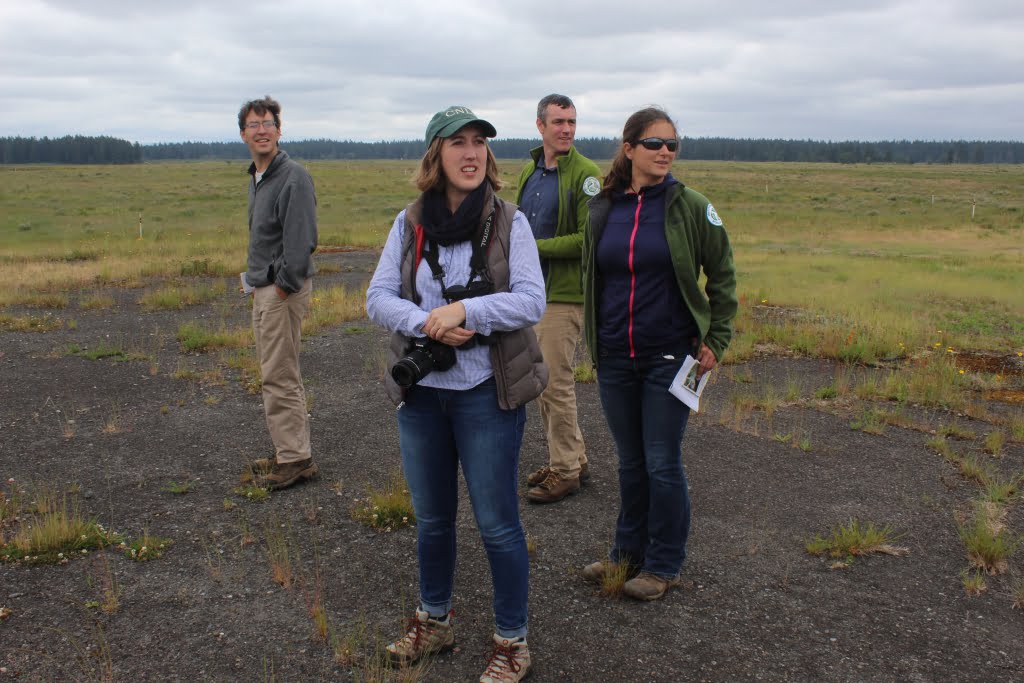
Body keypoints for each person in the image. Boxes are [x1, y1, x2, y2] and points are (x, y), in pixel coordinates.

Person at [366, 106, 547, 682]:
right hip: (421, 394)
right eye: (457, 144)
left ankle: (511, 642)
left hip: (484, 395)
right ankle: (434, 622)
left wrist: (467, 309)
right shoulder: (409, 222)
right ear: (435, 156)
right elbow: (376, 298)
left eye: (479, 144)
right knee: (432, 520)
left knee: (497, 524)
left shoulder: (509, 221)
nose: (471, 154)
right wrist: (429, 324)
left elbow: (530, 300)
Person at [580, 107, 737, 601]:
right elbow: (596, 277)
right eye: (654, 143)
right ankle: (626, 554)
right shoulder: (604, 207)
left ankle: (663, 563)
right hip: (615, 354)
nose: (665, 151)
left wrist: (717, 338)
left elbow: (724, 274)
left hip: (670, 357)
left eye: (673, 144)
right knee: (629, 463)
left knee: (661, 462)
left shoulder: (690, 206)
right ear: (629, 149)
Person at [515, 94, 603, 505]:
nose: (566, 129)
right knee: (543, 382)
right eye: (558, 122)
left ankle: (565, 471)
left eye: (571, 121)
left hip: (565, 295)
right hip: (531, 294)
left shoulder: (585, 174)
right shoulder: (530, 172)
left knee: (555, 383)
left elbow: (591, 238)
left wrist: (534, 248)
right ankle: (572, 458)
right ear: (540, 126)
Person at [237, 96, 319, 490]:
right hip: (264, 289)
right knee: (277, 372)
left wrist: (282, 288)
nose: (262, 129)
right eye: (254, 125)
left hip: (281, 292)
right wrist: (258, 284)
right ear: (243, 135)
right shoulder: (258, 177)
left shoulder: (293, 177)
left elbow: (300, 241)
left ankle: (295, 459)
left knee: (279, 374)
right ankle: (289, 449)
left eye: (268, 122)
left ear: (279, 131)